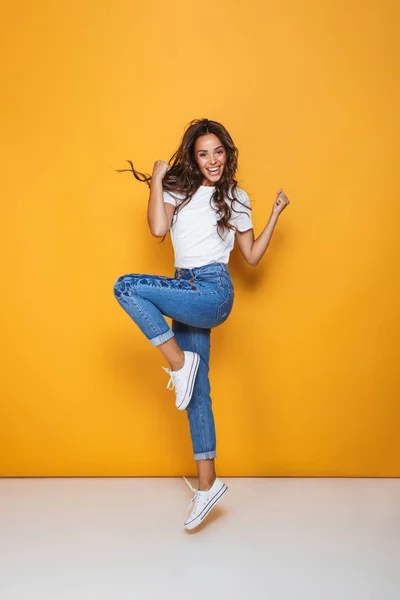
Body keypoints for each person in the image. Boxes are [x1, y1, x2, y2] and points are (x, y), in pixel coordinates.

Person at [113, 118, 290, 530]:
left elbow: (251, 257)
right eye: (203, 153)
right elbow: (158, 227)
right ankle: (208, 485)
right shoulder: (179, 187)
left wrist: (275, 215)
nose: (212, 160)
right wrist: (157, 180)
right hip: (183, 288)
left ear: (228, 154)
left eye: (218, 152)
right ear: (194, 157)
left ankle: (179, 364)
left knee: (126, 287)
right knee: (198, 392)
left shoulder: (236, 196)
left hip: (213, 291)